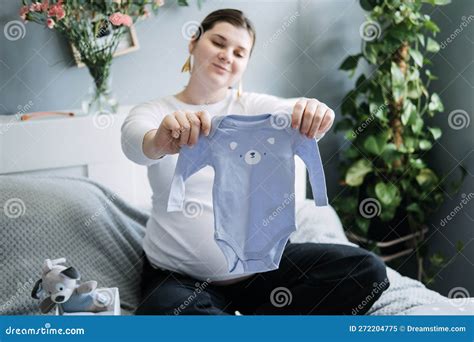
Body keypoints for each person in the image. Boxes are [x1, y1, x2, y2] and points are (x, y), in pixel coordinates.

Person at [121, 8, 389, 315]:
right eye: (218, 43)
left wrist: (314, 112)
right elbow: (134, 143)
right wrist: (159, 142)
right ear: (193, 42)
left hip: (263, 272)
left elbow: (289, 111)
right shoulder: (157, 111)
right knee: (164, 311)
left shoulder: (253, 107)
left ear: (245, 64)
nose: (227, 56)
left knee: (367, 270)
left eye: (239, 52)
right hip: (181, 279)